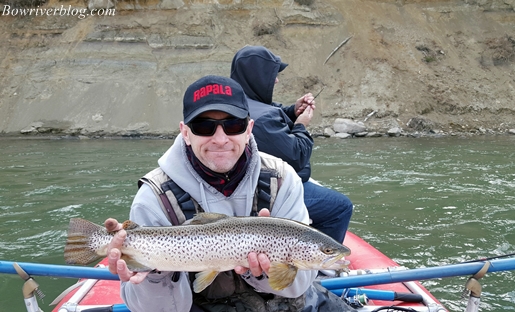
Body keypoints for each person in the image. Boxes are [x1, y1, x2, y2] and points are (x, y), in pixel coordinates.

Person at [104, 75, 319, 312]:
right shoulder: (154, 196)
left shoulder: (282, 179)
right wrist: (155, 274)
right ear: (185, 133)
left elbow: (298, 287)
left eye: (233, 125)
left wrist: (262, 273)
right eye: (204, 127)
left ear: (249, 129)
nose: (220, 139)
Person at [230, 45, 354, 243]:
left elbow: (269, 111)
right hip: (262, 191)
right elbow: (296, 157)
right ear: (258, 75)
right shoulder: (263, 119)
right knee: (340, 206)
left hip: (242, 185)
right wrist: (301, 126)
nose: (277, 79)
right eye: (273, 74)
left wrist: (292, 110)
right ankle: (323, 264)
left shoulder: (234, 102)